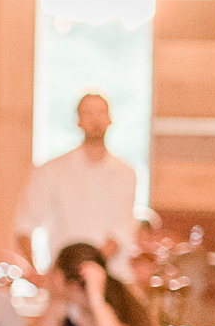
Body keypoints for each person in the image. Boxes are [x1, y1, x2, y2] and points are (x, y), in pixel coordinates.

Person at [14, 93, 138, 276]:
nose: (95, 119)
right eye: (88, 113)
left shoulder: (126, 173)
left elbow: (121, 229)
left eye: (101, 112)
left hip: (112, 276)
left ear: (110, 119)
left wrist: (90, 266)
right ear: (78, 120)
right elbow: (25, 224)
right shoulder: (51, 170)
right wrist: (36, 272)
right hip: (64, 278)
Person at [26, 241, 152, 326]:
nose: (49, 276)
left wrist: (97, 299)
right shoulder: (66, 305)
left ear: (72, 285)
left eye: (54, 270)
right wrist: (52, 314)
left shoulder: (118, 303)